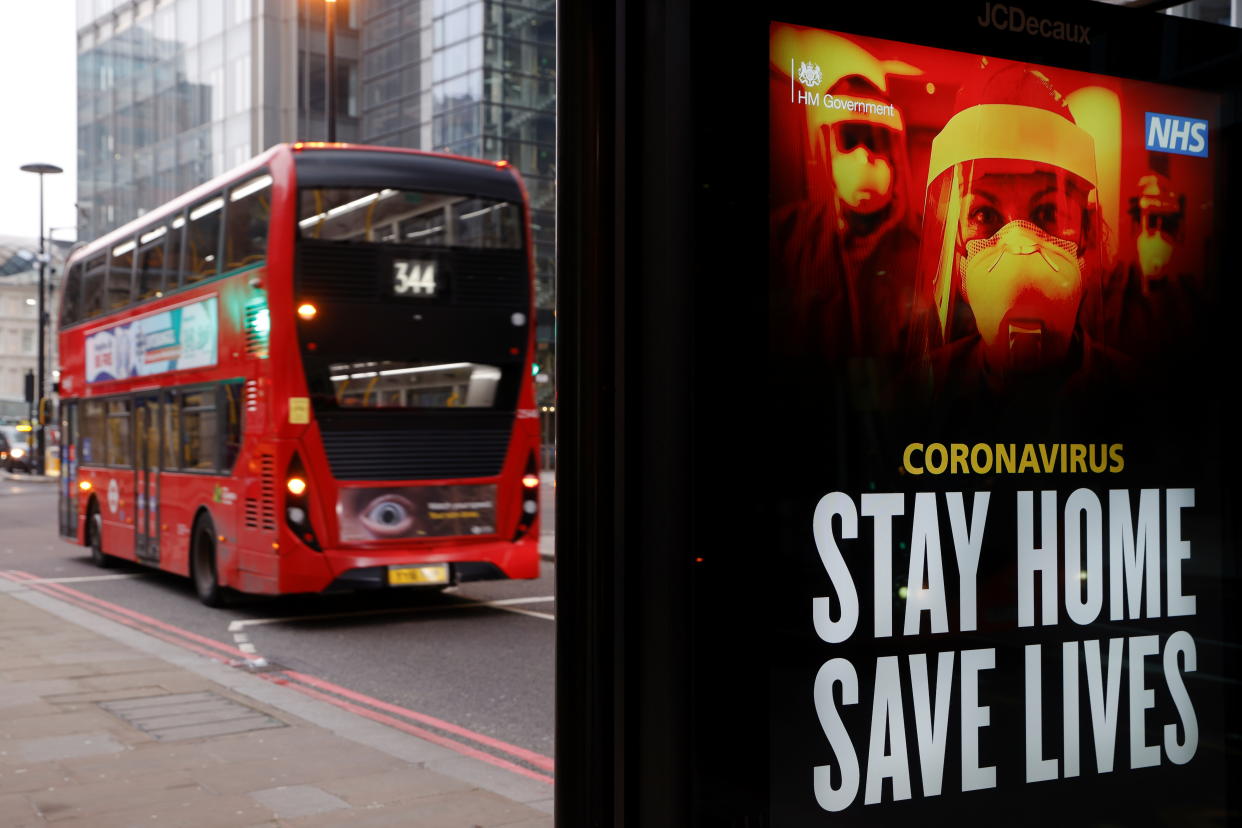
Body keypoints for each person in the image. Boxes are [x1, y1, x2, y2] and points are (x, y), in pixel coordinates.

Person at [906, 63, 1126, 405]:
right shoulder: (916, 396)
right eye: (985, 214)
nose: (1019, 245)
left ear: (1089, 233)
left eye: (1048, 213)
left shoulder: (1143, 400)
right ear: (957, 246)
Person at [770, 29, 921, 363]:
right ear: (827, 149)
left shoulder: (924, 246)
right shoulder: (785, 236)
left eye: (875, 140)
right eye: (850, 139)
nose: (864, 155)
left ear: (896, 150)